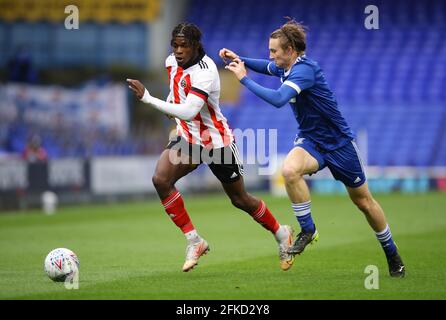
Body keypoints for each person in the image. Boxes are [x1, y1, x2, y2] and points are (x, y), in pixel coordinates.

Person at [221, 20, 405, 277]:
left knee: (363, 202)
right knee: (289, 170)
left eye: (275, 51)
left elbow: (277, 99)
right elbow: (267, 66)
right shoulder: (287, 66)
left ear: (291, 50)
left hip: (339, 143)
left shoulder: (304, 71)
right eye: (270, 50)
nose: (271, 56)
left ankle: (392, 253)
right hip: (311, 140)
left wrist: (243, 79)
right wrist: (240, 59)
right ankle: (308, 229)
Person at [127, 23, 294, 272]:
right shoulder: (171, 62)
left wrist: (148, 99)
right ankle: (195, 241)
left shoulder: (206, 72)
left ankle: (281, 233)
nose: (179, 50)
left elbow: (190, 110)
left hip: (217, 143)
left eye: (185, 45)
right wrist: (170, 105)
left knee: (239, 199)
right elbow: (177, 95)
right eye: (175, 45)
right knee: (161, 180)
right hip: (188, 139)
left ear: (196, 46)